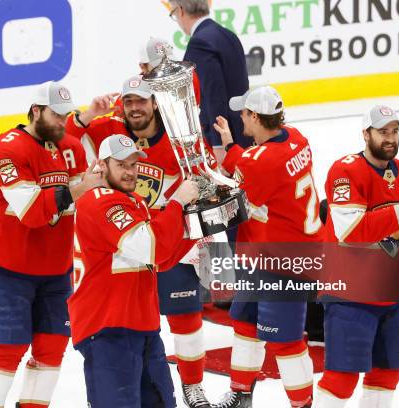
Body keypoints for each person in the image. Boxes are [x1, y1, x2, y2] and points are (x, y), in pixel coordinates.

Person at [67, 76, 220, 407]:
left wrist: (197, 226)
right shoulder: (99, 200)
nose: (131, 171)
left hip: (139, 324)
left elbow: (160, 258)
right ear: (101, 165)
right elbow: (150, 247)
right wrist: (177, 203)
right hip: (107, 327)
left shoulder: (132, 201)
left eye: (134, 164)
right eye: (121, 165)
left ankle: (194, 386)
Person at [0, 81, 98, 408]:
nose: (62, 122)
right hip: (7, 267)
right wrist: (78, 191)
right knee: (7, 350)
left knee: (53, 347)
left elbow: (82, 202)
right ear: (36, 110)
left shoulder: (71, 147)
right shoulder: (8, 147)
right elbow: (30, 211)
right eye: (56, 115)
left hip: (55, 269)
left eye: (66, 115)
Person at [313, 106, 399, 407]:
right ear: (365, 134)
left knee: (386, 375)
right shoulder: (344, 171)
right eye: (383, 131)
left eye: (395, 131)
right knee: (341, 379)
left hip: (390, 296)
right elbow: (351, 233)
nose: (390, 138)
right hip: (350, 296)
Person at [213, 86, 323, 407]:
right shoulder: (296, 137)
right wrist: (233, 145)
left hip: (283, 261)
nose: (240, 117)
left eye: (245, 113)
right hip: (270, 252)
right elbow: (256, 165)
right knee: (245, 322)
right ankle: (241, 393)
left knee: (286, 342)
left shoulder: (259, 161)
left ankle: (302, 404)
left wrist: (225, 154)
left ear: (257, 117)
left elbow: (243, 180)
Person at [168, 0, 249, 162]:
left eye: (173, 13)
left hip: (228, 138)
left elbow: (213, 94)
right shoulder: (228, 34)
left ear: (181, 10)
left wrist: (220, 144)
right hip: (244, 128)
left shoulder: (199, 43)